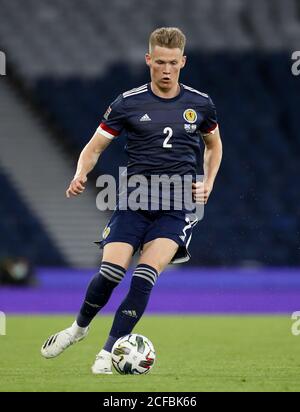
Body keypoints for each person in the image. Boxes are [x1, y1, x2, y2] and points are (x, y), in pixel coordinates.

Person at [41, 27, 223, 374]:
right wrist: (81, 173)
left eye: (172, 63)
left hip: (176, 208)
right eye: (159, 63)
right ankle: (78, 329)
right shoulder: (128, 102)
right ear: (148, 61)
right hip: (134, 202)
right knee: (109, 273)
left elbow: (214, 145)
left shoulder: (200, 103)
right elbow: (94, 148)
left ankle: (108, 353)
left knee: (143, 278)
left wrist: (209, 181)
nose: (166, 70)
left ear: (182, 62)